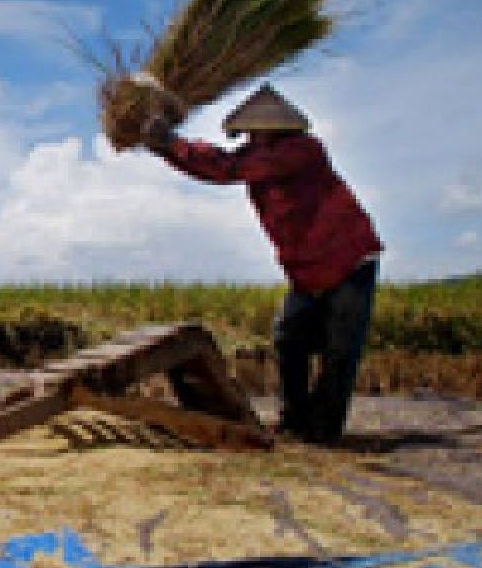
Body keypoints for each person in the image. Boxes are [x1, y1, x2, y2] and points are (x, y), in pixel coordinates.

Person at [138, 83, 382, 445]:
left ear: (276, 129)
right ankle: (294, 420)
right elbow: (220, 168)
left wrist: (171, 143)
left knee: (339, 351)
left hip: (347, 262)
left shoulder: (302, 151)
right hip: (307, 271)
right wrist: (169, 149)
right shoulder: (259, 160)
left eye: (254, 132)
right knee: (289, 338)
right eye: (246, 134)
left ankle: (324, 431)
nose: (249, 138)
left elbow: (225, 167)